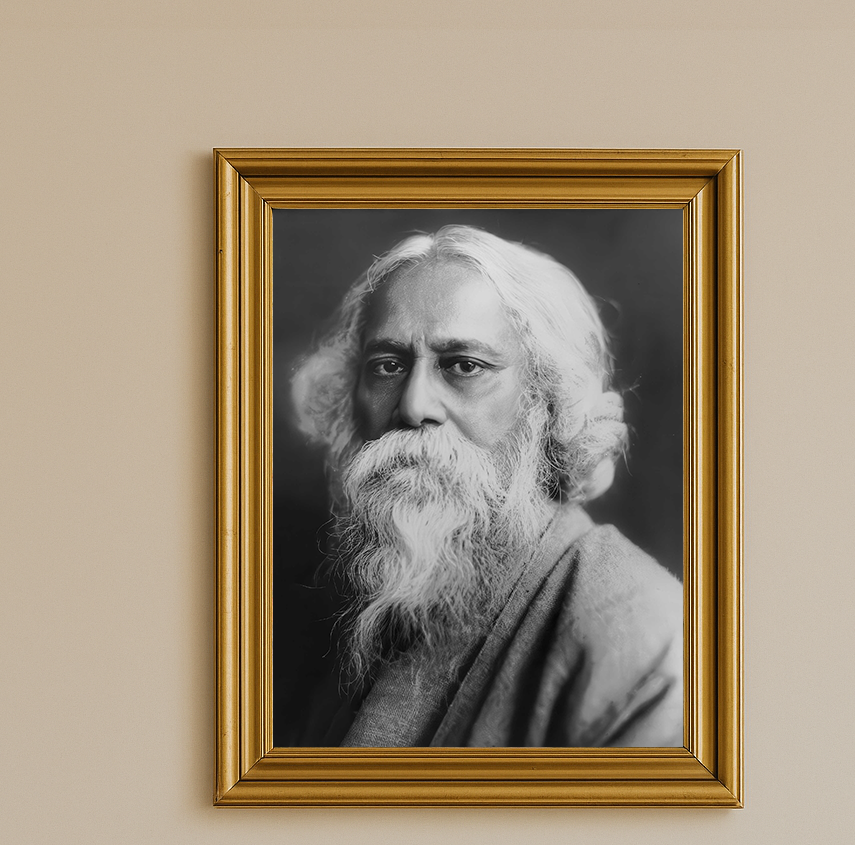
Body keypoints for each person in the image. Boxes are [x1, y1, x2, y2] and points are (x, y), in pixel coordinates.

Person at [281, 224, 683, 748]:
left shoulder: (642, 635)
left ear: (546, 400)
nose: (413, 406)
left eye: (464, 366)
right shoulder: (362, 597)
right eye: (387, 366)